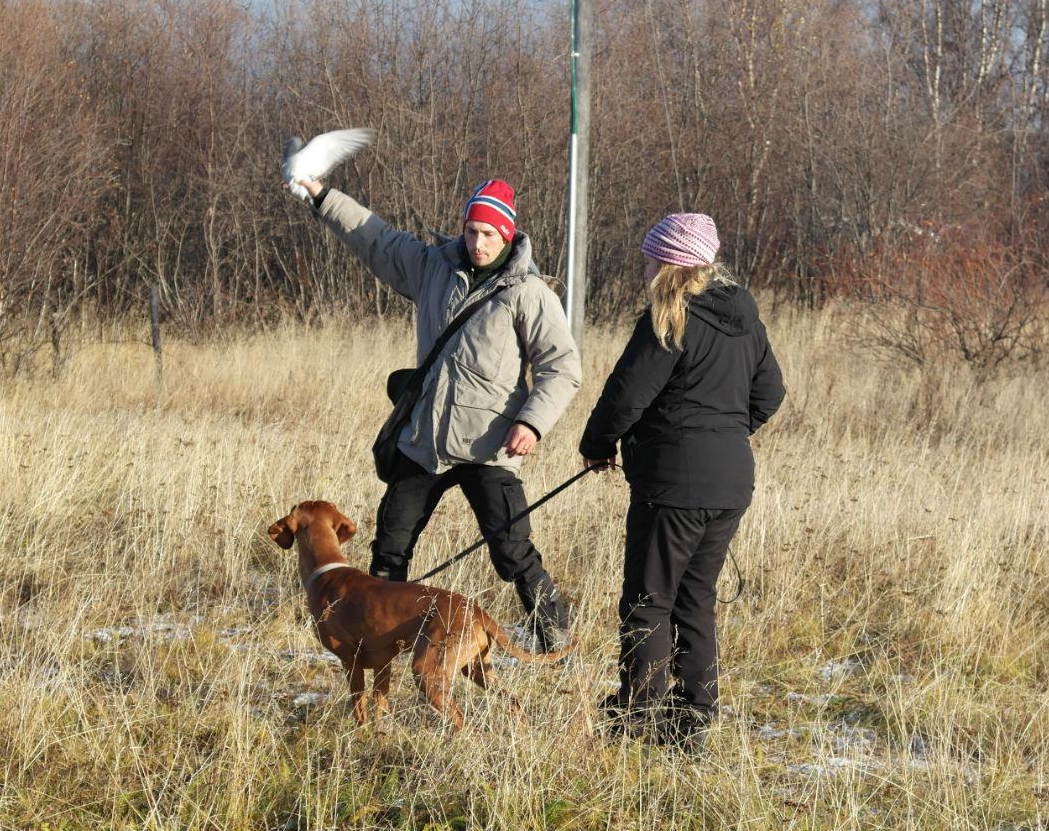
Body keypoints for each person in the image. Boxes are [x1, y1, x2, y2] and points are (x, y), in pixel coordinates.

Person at [286, 175, 582, 651]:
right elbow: (374, 237)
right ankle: (377, 638)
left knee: (512, 552)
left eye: (488, 234)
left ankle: (556, 639)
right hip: (424, 442)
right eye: (471, 231)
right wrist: (323, 196)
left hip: (490, 447)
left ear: (508, 234)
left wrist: (532, 422)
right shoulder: (432, 268)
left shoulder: (529, 293)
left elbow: (562, 368)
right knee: (390, 547)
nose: (477, 243)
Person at [578, 213, 785, 747]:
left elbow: (625, 395)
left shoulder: (669, 317)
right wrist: (728, 433)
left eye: (651, 257)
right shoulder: (746, 318)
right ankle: (692, 718)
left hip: (672, 486)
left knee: (649, 600)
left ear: (672, 262)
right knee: (695, 599)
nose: (644, 266)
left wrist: (598, 446)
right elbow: (770, 394)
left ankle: (638, 716)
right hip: (732, 482)